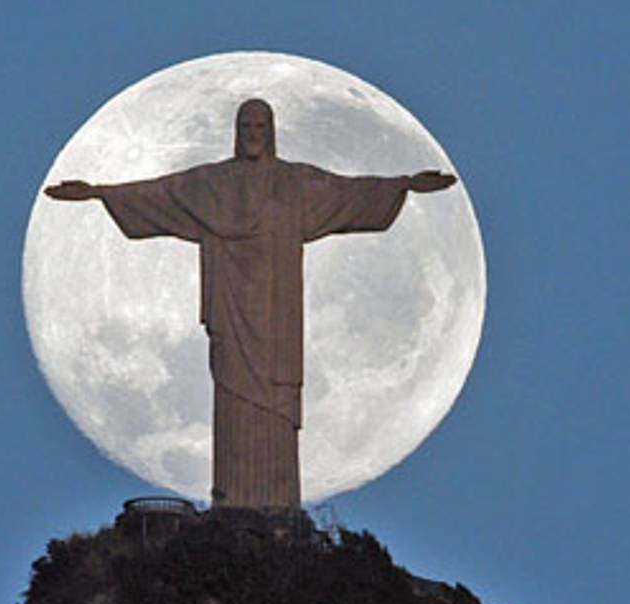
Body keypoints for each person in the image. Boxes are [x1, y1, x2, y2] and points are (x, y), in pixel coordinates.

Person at [44, 99, 455, 510]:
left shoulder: (294, 184)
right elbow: (163, 192)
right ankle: (233, 503)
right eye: (246, 126)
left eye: (260, 126)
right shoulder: (212, 184)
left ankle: (278, 505)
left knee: (275, 406)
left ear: (271, 131)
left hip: (278, 324)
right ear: (236, 132)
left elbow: (347, 191)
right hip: (231, 315)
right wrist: (100, 193)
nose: (253, 134)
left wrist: (402, 184)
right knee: (233, 400)